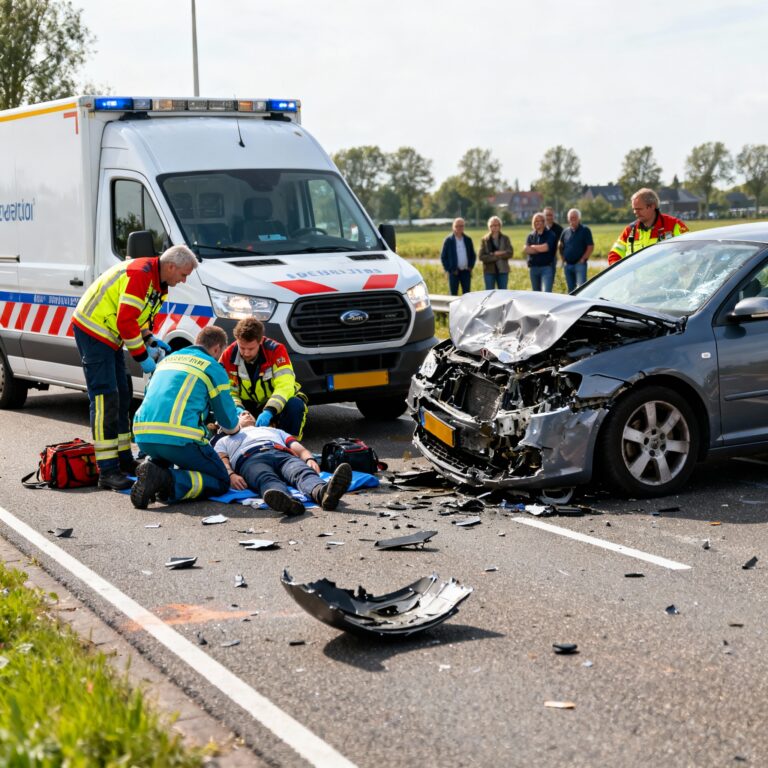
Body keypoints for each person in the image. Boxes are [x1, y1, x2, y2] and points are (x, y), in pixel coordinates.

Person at [71, 245, 198, 491]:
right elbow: (126, 321)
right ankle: (107, 471)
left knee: (123, 394)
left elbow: (138, 319)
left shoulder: (158, 282)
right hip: (94, 330)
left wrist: (150, 339)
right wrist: (143, 358)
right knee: (105, 399)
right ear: (171, 266)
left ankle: (124, 460)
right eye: (183, 274)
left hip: (110, 336)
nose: (183, 280)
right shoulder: (141, 275)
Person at [130, 326, 241, 509]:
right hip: (180, 440)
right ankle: (166, 480)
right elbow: (227, 422)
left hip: (144, 437)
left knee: (167, 455)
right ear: (217, 349)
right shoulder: (212, 367)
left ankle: (153, 470)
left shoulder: (167, 360)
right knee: (221, 480)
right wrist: (238, 427)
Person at [215, 411, 352, 516]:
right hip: (250, 459)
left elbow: (299, 449)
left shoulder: (275, 431)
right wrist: (231, 475)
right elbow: (222, 461)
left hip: (282, 454)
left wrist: (309, 459)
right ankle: (287, 502)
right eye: (241, 414)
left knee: (302, 472)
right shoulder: (224, 440)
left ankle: (324, 494)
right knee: (265, 478)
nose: (246, 413)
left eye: (249, 413)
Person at [219, 317, 308, 438]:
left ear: (260, 341)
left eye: (251, 348)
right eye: (242, 347)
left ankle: (290, 444)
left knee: (295, 405)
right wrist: (238, 409)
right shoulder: (228, 355)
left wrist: (269, 410)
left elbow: (285, 386)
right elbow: (225, 391)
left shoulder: (276, 351)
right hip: (245, 407)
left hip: (273, 405)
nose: (246, 353)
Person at [608, 188, 689, 265]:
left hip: (669, 275)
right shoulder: (629, 230)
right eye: (634, 209)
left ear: (652, 206)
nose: (635, 212)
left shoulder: (674, 225)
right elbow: (614, 254)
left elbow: (690, 251)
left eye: (639, 209)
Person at [559, 208, 594, 292]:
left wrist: (583, 259)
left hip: (580, 265)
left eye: (575, 217)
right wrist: (563, 258)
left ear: (579, 218)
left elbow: (590, 246)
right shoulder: (565, 231)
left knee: (581, 289)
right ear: (568, 219)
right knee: (571, 290)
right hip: (568, 265)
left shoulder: (585, 230)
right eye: (571, 217)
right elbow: (560, 245)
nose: (572, 219)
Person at [440, 218, 476, 296]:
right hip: (453, 272)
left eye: (461, 226)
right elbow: (443, 257)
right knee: (453, 294)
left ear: (464, 227)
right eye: (457, 226)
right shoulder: (448, 240)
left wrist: (470, 266)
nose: (459, 228)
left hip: (466, 271)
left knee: (467, 294)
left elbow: (473, 255)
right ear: (453, 227)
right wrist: (449, 270)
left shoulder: (468, 239)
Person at [524, 212, 558, 292]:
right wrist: (539, 249)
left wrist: (533, 247)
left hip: (546, 268)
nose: (537, 223)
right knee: (536, 294)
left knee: (546, 293)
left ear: (544, 222)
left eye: (539, 221)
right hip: (533, 268)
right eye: (535, 221)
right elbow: (526, 249)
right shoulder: (530, 236)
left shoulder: (550, 234)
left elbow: (545, 248)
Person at [478, 216, 513, 290]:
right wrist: (496, 256)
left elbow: (510, 253)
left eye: (496, 225)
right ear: (489, 227)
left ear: (500, 226)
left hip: (503, 270)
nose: (494, 227)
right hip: (489, 271)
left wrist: (498, 253)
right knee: (489, 292)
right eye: (492, 225)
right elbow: (481, 256)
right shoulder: (484, 239)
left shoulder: (505, 238)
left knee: (503, 293)